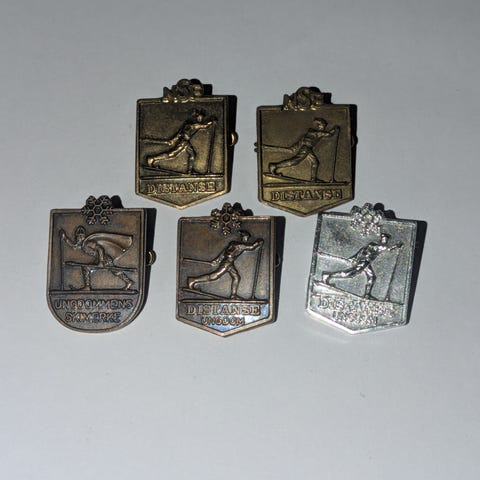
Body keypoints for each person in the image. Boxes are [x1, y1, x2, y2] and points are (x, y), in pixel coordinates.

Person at [321, 233, 402, 299]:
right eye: (384, 239)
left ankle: (367, 294)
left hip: (366, 262)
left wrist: (354, 257)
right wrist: (396, 245)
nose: (385, 241)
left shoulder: (372, 244)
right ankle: (327, 275)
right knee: (350, 273)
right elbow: (387, 248)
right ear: (382, 239)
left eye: (386, 239)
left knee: (372, 277)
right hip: (364, 261)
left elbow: (362, 250)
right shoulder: (378, 245)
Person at [187, 230, 263, 299]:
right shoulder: (240, 245)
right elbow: (252, 247)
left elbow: (224, 252)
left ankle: (233, 295)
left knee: (236, 277)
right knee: (214, 276)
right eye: (247, 238)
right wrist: (258, 242)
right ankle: (193, 280)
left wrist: (217, 260)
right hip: (227, 263)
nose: (247, 239)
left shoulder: (233, 243)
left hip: (229, 263)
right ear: (244, 237)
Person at [60, 226, 134, 291]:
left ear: (82, 237)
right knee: (113, 271)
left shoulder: (87, 243)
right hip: (99, 259)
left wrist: (101, 262)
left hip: (104, 259)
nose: (77, 239)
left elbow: (100, 249)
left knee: (114, 271)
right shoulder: (82, 245)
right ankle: (129, 282)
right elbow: (74, 246)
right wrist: (65, 238)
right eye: (77, 237)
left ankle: (129, 282)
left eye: (79, 237)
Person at [267, 118, 338, 182]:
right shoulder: (316, 133)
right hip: (306, 149)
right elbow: (329, 134)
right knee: (295, 161)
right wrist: (335, 129)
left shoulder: (312, 133)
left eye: (324, 126)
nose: (324, 127)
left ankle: (313, 179)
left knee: (315, 162)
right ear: (319, 126)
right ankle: (274, 166)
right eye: (323, 126)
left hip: (307, 149)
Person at [145, 109, 216, 173]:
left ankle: (190, 171)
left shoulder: (189, 123)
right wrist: (211, 121)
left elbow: (180, 132)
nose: (201, 119)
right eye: (200, 117)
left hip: (185, 141)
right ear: (197, 117)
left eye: (202, 117)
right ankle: (152, 158)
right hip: (183, 142)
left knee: (192, 154)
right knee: (172, 154)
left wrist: (174, 139)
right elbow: (204, 126)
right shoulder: (194, 124)